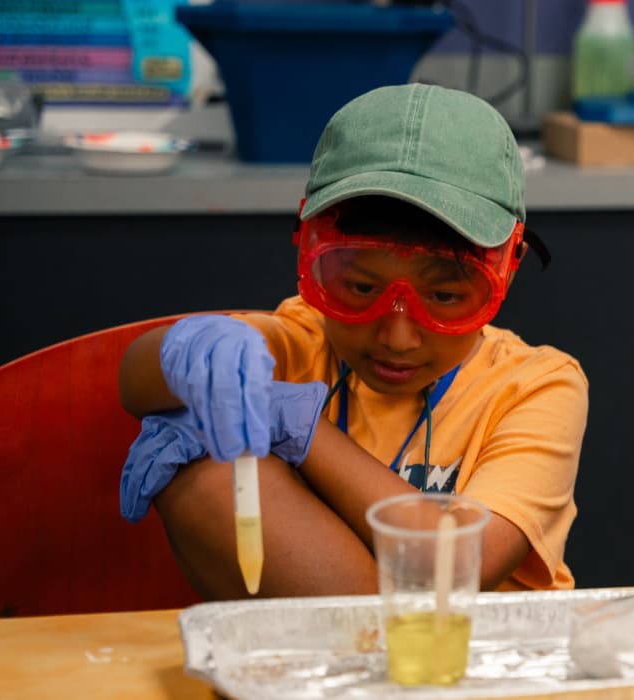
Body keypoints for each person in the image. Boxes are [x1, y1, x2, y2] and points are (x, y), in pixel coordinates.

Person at [118, 84, 589, 598]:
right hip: (317, 643)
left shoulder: (536, 387)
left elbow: (460, 565)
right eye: (362, 288)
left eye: (445, 296)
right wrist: (184, 352)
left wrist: (301, 429)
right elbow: (136, 383)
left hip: (493, 644)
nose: (397, 337)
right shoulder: (302, 340)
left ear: (507, 271)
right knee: (212, 477)